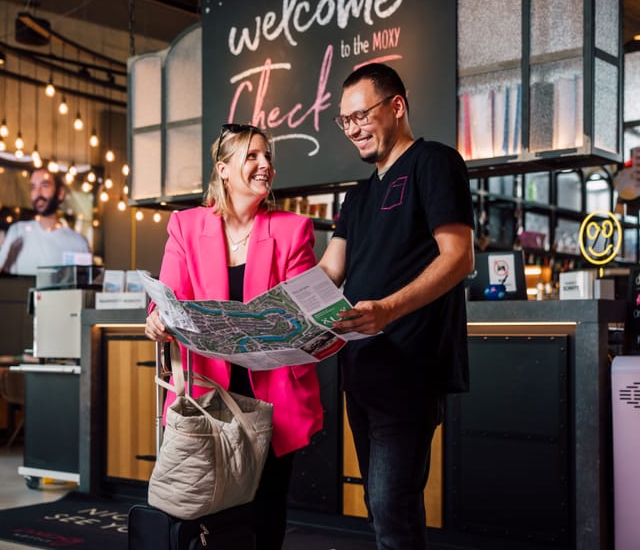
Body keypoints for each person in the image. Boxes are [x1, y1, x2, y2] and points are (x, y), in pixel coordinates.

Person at [144, 123, 324, 549]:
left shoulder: (293, 229)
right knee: (205, 505)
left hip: (273, 393)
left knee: (265, 508)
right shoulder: (185, 227)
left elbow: (303, 313)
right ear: (223, 169)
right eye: (252, 156)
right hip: (206, 391)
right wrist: (156, 320)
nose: (265, 165)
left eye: (268, 157)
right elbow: (167, 300)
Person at [318, 63, 475, 550]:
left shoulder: (435, 162)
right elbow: (329, 273)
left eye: (360, 115)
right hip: (360, 370)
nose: (353, 129)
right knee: (385, 509)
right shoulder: (357, 195)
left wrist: (387, 309)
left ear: (397, 106)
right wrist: (272, 305)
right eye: (344, 121)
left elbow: (459, 257)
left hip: (410, 368)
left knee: (391, 511)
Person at [0, 166, 91, 275]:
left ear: (60, 193)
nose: (38, 193)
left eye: (45, 185)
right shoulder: (18, 231)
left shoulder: (78, 242)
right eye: (33, 187)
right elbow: (0, 274)